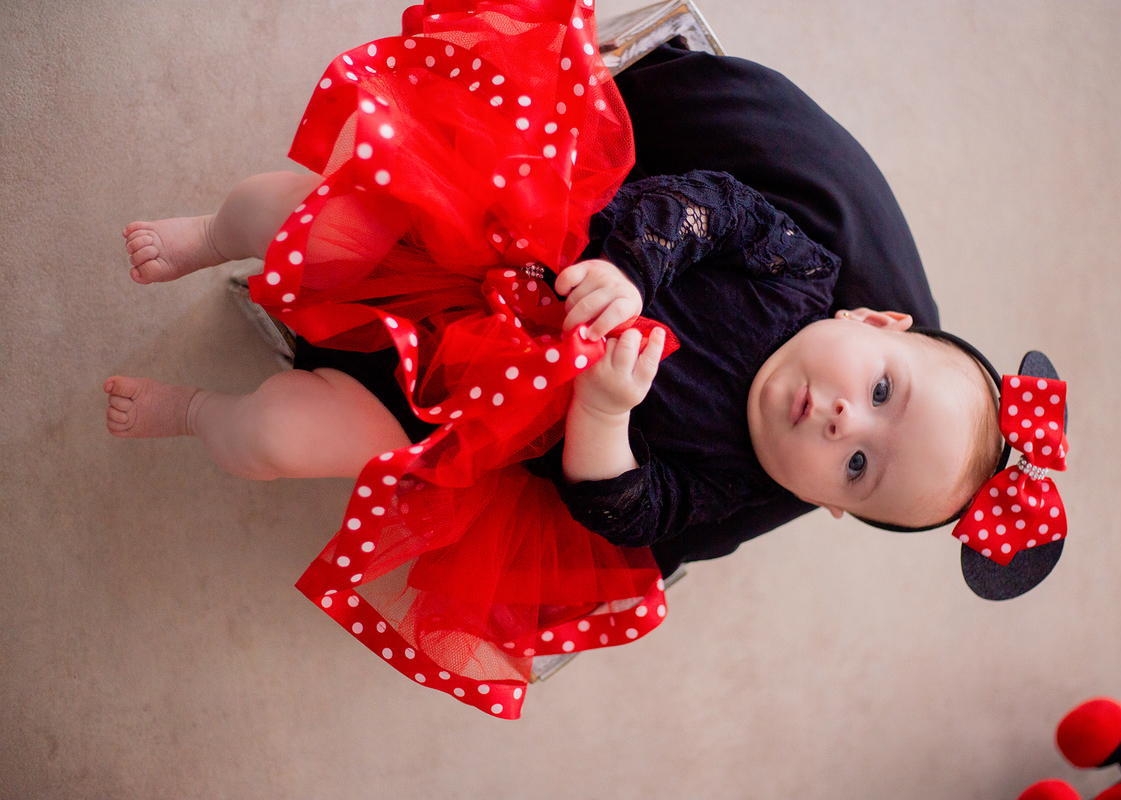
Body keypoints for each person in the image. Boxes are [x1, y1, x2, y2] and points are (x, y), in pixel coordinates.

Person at [103, 2, 1009, 717]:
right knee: (290, 216)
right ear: (878, 318)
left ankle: (194, 413)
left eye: (857, 468)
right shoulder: (798, 274)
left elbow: (624, 510)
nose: (849, 421)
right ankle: (212, 237)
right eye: (883, 389)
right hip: (513, 252)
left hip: (475, 422)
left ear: (827, 506)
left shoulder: (737, 484)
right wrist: (627, 267)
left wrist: (604, 417)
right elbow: (713, 202)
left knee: (280, 434)